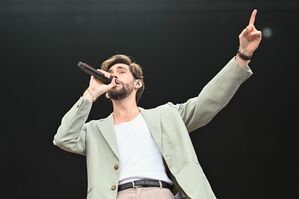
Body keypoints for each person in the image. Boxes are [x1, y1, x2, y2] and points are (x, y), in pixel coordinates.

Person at [53, 9, 262, 199]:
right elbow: (64, 138)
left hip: (159, 192)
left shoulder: (166, 115)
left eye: (121, 71)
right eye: (111, 73)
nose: (114, 76)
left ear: (137, 83)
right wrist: (91, 93)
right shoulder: (95, 131)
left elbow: (208, 102)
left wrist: (243, 56)